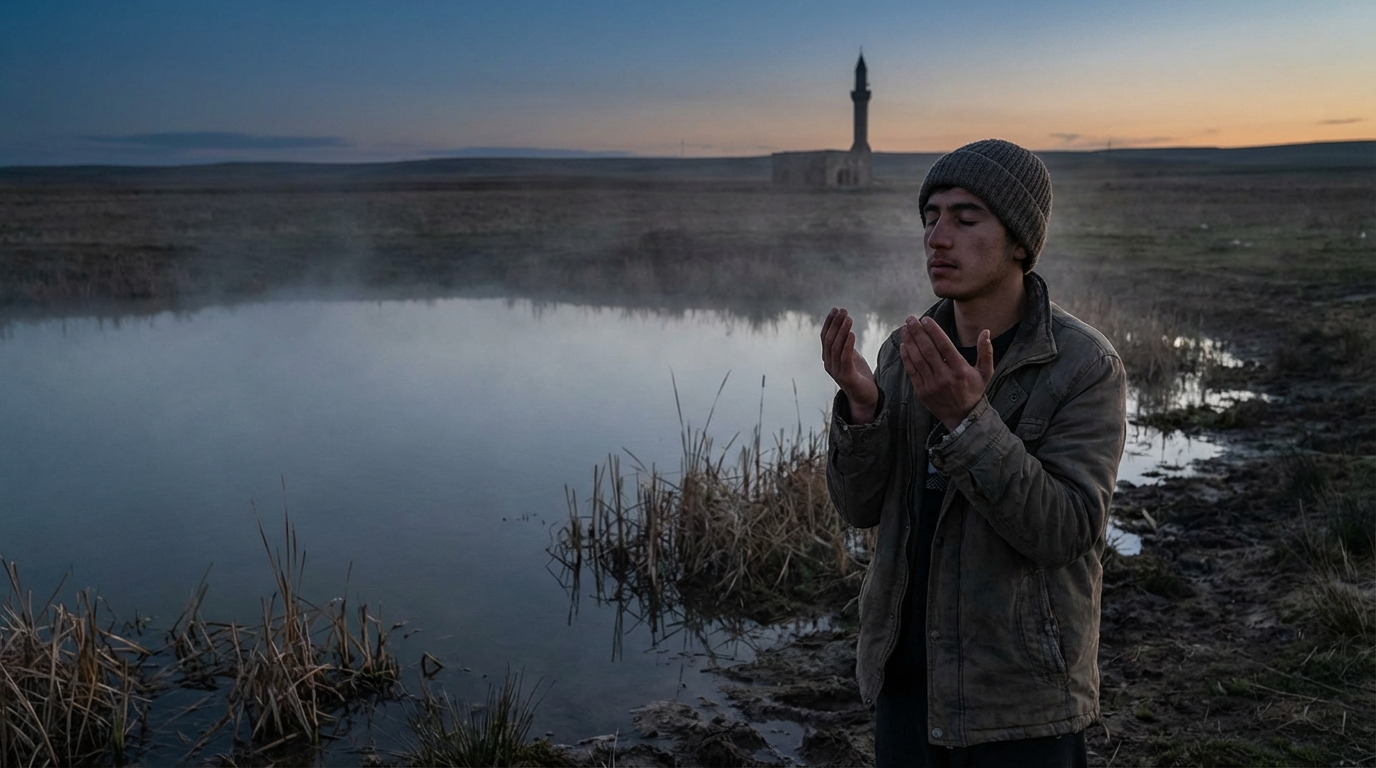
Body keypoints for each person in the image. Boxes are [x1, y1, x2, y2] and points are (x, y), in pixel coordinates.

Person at [820, 139, 1127, 767]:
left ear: (1019, 240)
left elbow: (1065, 531)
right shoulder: (906, 354)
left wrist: (967, 421)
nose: (938, 236)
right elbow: (859, 509)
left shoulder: (1082, 367)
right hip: (907, 686)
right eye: (930, 216)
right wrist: (862, 408)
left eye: (966, 218)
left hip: (1019, 702)